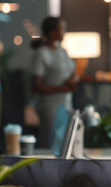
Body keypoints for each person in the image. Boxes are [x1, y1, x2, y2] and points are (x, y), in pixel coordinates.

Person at [31, 17, 79, 147]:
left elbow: (72, 71)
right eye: (62, 29)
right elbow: (36, 86)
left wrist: (73, 79)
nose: (64, 32)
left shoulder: (63, 51)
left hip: (66, 103)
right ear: (52, 32)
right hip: (50, 106)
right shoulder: (41, 54)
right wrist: (61, 88)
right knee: (50, 142)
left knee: (66, 141)